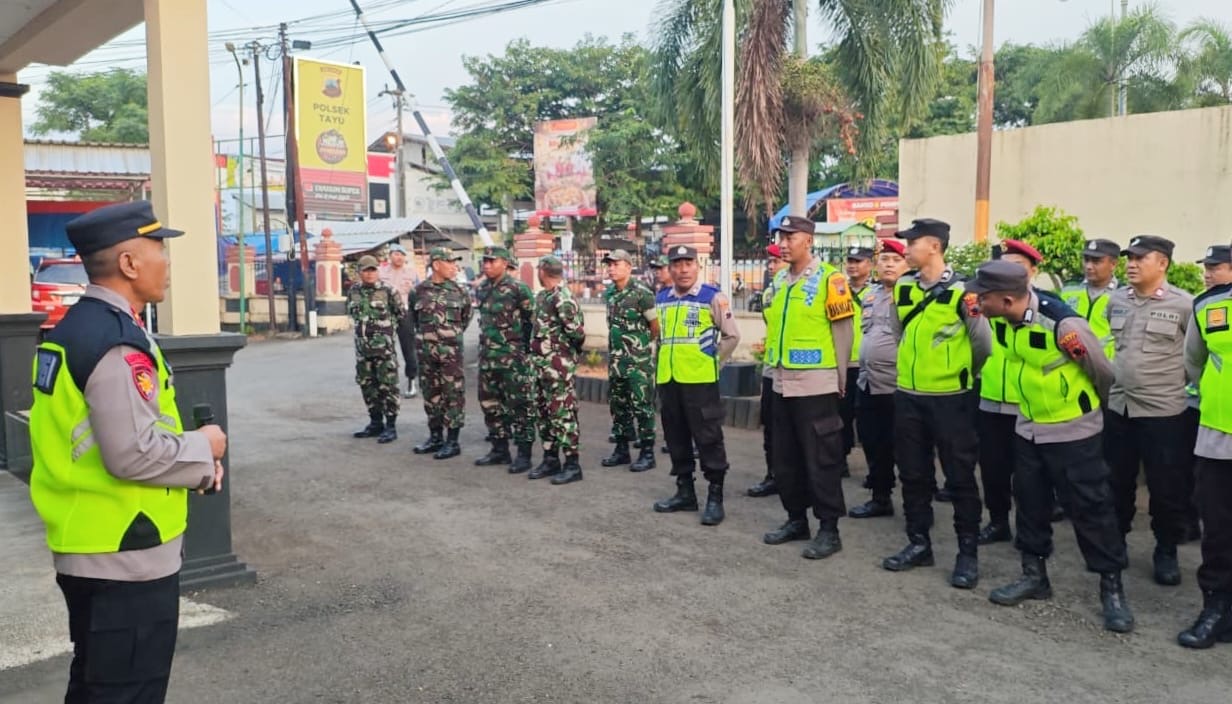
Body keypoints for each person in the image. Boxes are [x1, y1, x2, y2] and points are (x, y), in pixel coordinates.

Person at [28, 201, 228, 702]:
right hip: (125, 551)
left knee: (98, 683)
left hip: (91, 541)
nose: (168, 264)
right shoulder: (115, 342)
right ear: (129, 264)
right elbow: (133, 455)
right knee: (127, 692)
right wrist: (205, 450)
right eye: (159, 250)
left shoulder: (78, 328)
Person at [969, 260, 1134, 633]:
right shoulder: (1001, 320)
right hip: (1029, 428)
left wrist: (1087, 414)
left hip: (1074, 431)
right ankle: (1034, 576)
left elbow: (1103, 373)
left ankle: (1111, 589)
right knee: (1029, 502)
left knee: (1091, 508)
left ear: (1006, 299)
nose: (977, 300)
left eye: (984, 296)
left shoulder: (1063, 325)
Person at [881, 218, 991, 590]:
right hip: (909, 396)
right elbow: (899, 333)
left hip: (951, 400)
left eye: (911, 243)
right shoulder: (904, 288)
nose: (905, 250)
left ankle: (967, 553)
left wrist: (959, 377)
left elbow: (983, 345)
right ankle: (918, 542)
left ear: (933, 246)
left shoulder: (966, 292)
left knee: (960, 478)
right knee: (913, 475)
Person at [759, 216, 856, 559]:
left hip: (816, 383)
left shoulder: (832, 280)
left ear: (809, 240)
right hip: (780, 381)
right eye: (780, 238)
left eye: (790, 237)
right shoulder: (781, 281)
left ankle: (829, 529)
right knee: (785, 457)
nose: (783, 244)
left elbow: (843, 332)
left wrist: (841, 378)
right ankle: (795, 518)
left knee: (821, 458)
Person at [1104, 235, 1193, 586]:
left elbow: (1194, 358)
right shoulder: (1116, 301)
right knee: (1115, 481)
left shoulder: (1184, 305)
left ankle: (1166, 549)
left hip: (1163, 413)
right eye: (1130, 258)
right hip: (1120, 407)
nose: (1132, 264)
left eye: (1142, 258)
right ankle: (1115, 543)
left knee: (1166, 486)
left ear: (1163, 264)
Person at [652, 245, 741, 525]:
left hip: (701, 381)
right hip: (669, 379)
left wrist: (713, 364)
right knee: (675, 437)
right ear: (670, 268)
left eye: (688, 263)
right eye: (676, 264)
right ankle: (685, 492)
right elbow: (659, 337)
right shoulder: (662, 298)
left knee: (708, 439)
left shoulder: (711, 297)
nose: (682, 269)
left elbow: (731, 336)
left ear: (697, 266)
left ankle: (715, 496)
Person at [1179, 254, 1232, 648]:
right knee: (1218, 531)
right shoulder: (1208, 305)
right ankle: (1215, 609)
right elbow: (1193, 363)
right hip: (1218, 437)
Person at [976, 239, 1043, 544]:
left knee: (1029, 477)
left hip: (1027, 403)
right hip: (991, 397)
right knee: (993, 468)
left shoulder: (1043, 309)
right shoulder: (985, 303)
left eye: (1017, 268)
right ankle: (998, 521)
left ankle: (1031, 533)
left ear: (1033, 272)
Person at [849, 238, 910, 519]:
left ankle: (916, 505)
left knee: (907, 449)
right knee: (874, 443)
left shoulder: (912, 295)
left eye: (896, 260)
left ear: (908, 264)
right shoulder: (871, 294)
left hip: (898, 385)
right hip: (868, 382)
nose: (889, 265)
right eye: (884, 259)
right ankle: (880, 497)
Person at [473, 245, 536, 472]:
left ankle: (524, 454)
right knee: (490, 405)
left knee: (520, 406)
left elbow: (532, 321)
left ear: (505, 263)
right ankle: (499, 449)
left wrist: (525, 352)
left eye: (492, 261)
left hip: (513, 359)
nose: (487, 265)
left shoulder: (519, 289)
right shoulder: (482, 289)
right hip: (488, 358)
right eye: (485, 261)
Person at [527, 255, 587, 484]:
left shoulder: (562, 298)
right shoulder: (543, 296)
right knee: (543, 414)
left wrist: (563, 357)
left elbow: (577, 334)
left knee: (563, 414)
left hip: (558, 368)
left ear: (542, 271)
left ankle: (572, 464)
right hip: (541, 368)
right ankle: (551, 458)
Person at [411, 247, 473, 460]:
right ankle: (435, 436)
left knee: (453, 395)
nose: (454, 266)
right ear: (436, 265)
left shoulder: (460, 292)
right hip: (426, 354)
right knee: (431, 394)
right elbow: (413, 319)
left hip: (451, 355)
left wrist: (448, 337)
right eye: (450, 262)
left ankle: (452, 441)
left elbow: (465, 319)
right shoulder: (418, 291)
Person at [601, 249, 660, 472]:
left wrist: (640, 346)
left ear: (628, 266)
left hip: (638, 363)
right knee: (619, 406)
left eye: (616, 264)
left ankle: (647, 452)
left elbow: (655, 327)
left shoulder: (642, 294)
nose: (611, 268)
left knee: (642, 406)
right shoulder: (610, 294)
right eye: (609, 265)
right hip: (616, 361)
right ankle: (622, 449)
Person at [347, 255, 406, 444]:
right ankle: (375, 422)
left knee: (387, 386)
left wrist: (388, 333)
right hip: (363, 351)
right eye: (366, 270)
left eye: (373, 270)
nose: (370, 273)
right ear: (359, 273)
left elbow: (401, 314)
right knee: (367, 386)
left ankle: (391, 426)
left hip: (384, 351)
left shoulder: (388, 291)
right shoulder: (353, 291)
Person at [747, 243, 788, 497]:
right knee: (771, 427)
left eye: (776, 262)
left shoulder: (802, 289)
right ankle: (773, 474)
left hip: (798, 371)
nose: (772, 267)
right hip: (773, 368)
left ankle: (792, 477)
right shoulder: (769, 294)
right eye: (770, 263)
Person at [840, 245, 875, 474]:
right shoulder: (838, 290)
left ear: (870, 265)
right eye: (850, 261)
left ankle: (875, 469)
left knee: (868, 420)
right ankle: (840, 460)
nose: (853, 265)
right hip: (844, 362)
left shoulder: (878, 292)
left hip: (868, 365)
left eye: (858, 261)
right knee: (840, 416)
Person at [1060, 239, 1120, 359]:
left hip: (1107, 367)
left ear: (1113, 264)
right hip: (1071, 366)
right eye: (1086, 260)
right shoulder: (1069, 290)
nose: (1088, 266)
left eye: (1096, 262)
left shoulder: (1123, 296)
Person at [378, 243, 420, 398]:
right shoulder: (380, 272)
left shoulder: (412, 272)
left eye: (402, 255)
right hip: (385, 313)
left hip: (404, 312)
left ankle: (411, 381)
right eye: (396, 254)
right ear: (390, 256)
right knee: (383, 347)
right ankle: (387, 382)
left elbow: (418, 294)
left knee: (408, 348)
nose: (399, 257)